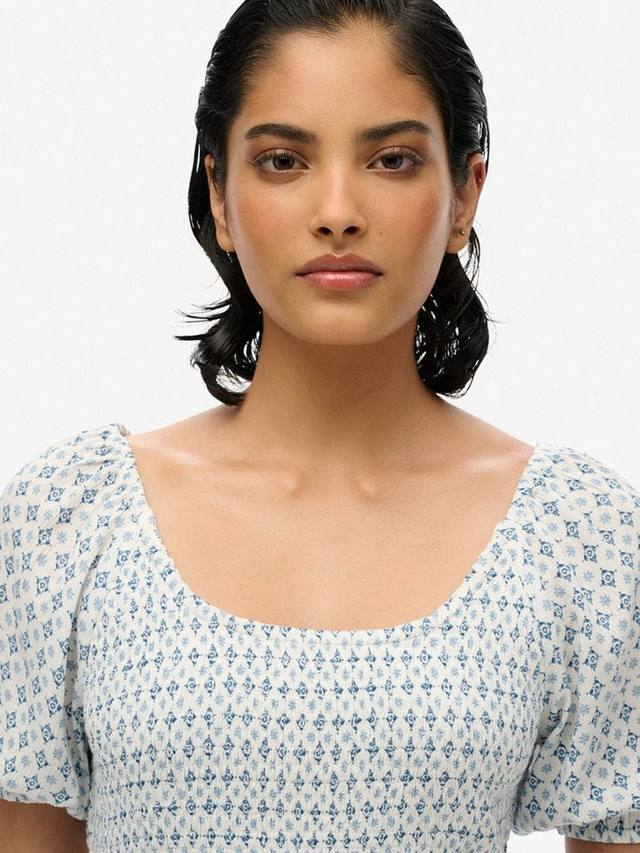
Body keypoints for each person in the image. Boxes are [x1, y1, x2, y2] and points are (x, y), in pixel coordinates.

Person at [1, 1, 638, 851]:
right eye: (283, 160)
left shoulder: (577, 534)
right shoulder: (70, 518)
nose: (338, 211)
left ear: (464, 195)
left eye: (392, 159)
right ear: (219, 194)